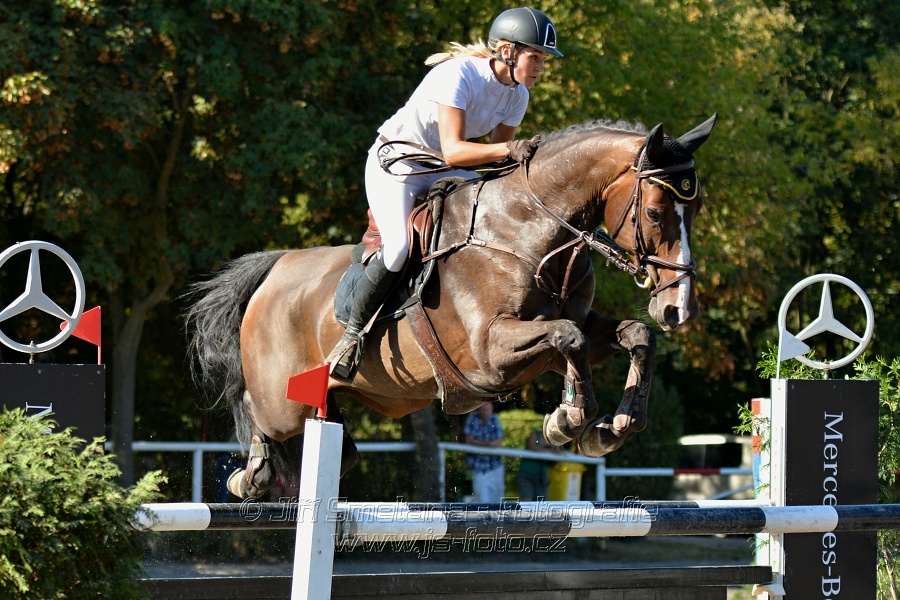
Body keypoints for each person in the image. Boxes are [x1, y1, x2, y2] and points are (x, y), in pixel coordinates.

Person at [326, 7, 564, 382]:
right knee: (400, 247)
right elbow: (456, 149)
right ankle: (351, 335)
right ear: (506, 51)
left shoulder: (518, 96)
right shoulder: (457, 75)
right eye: (535, 57)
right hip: (398, 164)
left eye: (544, 60)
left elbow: (497, 164)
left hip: (444, 169)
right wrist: (509, 150)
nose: (540, 68)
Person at [463, 402, 505, 503]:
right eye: (482, 409)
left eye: (487, 410)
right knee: (481, 499)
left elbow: (498, 443)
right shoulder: (472, 418)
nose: (485, 412)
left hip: (495, 465)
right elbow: (469, 440)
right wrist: (488, 444)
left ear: (491, 410)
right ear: (478, 409)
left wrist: (479, 443)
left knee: (497, 499)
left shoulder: (495, 419)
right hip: (478, 467)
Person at [517, 427, 564, 501]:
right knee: (527, 501)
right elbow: (532, 447)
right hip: (526, 473)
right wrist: (550, 451)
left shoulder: (554, 440)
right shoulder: (535, 434)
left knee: (540, 503)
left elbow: (559, 455)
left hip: (542, 475)